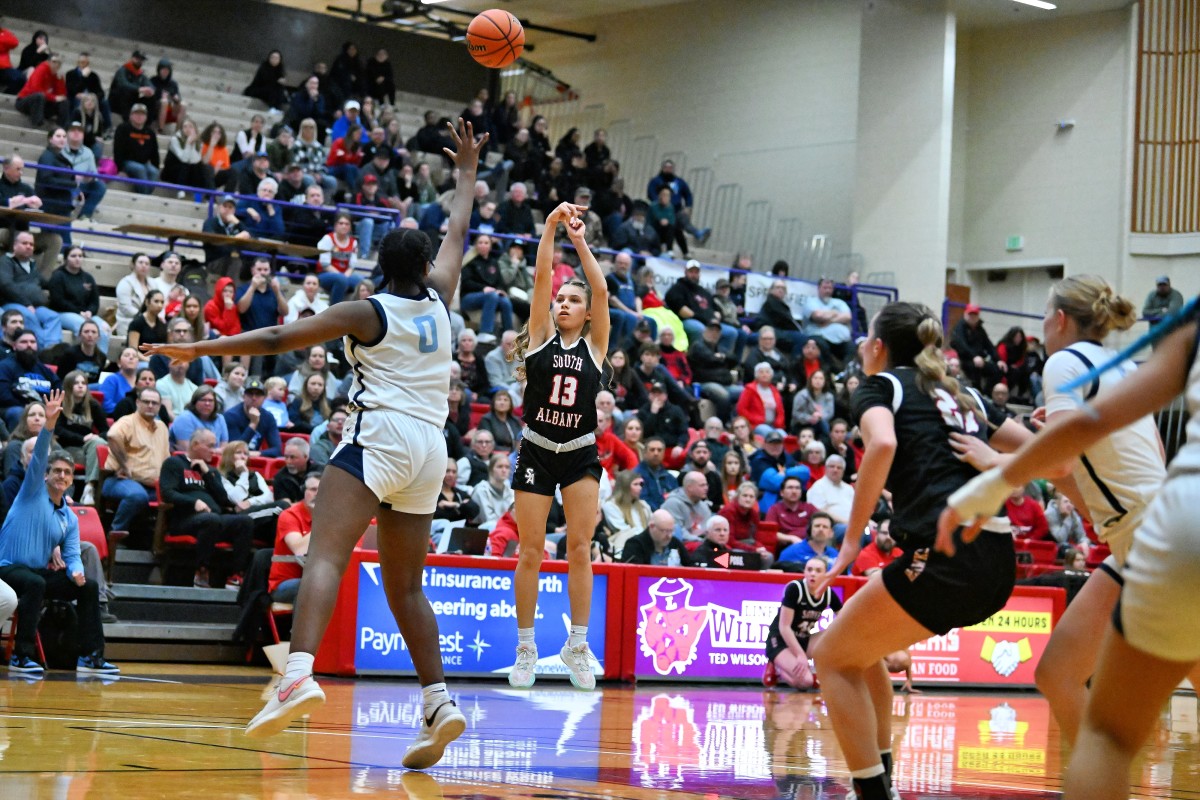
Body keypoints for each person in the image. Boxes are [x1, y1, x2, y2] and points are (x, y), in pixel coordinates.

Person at [142, 119, 487, 765]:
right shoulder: (441, 298)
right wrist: (466, 173)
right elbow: (459, 233)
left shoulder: (368, 310)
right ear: (424, 267)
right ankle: (438, 700)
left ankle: (297, 673)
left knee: (326, 555)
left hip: (380, 437)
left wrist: (196, 346)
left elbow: (275, 340)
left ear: (378, 268)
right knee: (407, 586)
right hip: (431, 452)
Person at [937, 296, 1200, 800]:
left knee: (1104, 731)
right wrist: (1048, 444)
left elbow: (1073, 448)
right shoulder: (1118, 365)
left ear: (1059, 320)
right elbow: (1102, 467)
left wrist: (996, 468)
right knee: (1059, 672)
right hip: (1141, 532)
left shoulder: (1067, 362)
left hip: (1162, 532)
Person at [807, 302, 1028, 800]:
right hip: (996, 558)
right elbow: (1038, 446)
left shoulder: (881, 385)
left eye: (866, 339)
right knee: (860, 651)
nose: (863, 346)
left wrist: (848, 543)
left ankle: (874, 793)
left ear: (878, 347)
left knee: (830, 659)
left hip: (946, 555)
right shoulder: (964, 393)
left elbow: (881, 445)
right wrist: (995, 459)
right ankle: (883, 779)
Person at [503, 201, 608, 692]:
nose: (563, 303)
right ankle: (526, 647)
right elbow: (542, 274)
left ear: (587, 314)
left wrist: (580, 240)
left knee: (581, 548)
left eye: (573, 300)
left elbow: (602, 288)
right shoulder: (540, 335)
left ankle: (577, 645)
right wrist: (550, 228)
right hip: (538, 448)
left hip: (581, 451)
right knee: (530, 551)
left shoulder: (595, 346)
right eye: (560, 298)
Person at [0, 389, 118, 676]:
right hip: (7, 568)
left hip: (36, 573)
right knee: (35, 584)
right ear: (46, 474)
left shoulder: (68, 516)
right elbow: (40, 455)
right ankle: (21, 656)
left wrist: (76, 571)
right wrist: (49, 424)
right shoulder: (30, 492)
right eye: (57, 471)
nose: (63, 476)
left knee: (87, 586)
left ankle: (91, 656)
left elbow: (72, 552)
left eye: (67, 472)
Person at [159, 429, 253, 589]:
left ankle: (236, 575)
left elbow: (224, 499)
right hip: (185, 520)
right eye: (210, 446)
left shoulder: (210, 470)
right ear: (195, 445)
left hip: (213, 519)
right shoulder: (174, 463)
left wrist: (207, 473)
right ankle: (201, 572)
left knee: (245, 521)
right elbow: (167, 493)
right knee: (211, 520)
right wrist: (193, 502)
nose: (214, 450)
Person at [763, 557, 841, 690]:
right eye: (809, 569)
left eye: (818, 570)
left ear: (825, 574)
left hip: (804, 638)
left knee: (838, 634)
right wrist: (800, 655)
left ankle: (818, 672)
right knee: (806, 682)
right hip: (780, 639)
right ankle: (777, 667)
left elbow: (843, 617)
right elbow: (784, 627)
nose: (813, 574)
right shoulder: (795, 589)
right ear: (804, 572)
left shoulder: (828, 593)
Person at [101, 386, 170, 534]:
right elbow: (113, 436)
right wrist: (124, 464)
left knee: (179, 498)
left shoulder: (162, 427)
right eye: (146, 402)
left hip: (152, 486)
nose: (150, 405)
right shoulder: (128, 421)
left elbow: (166, 458)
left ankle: (158, 544)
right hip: (120, 481)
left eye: (154, 403)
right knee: (137, 496)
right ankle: (115, 533)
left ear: (159, 406)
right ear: (138, 402)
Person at [0, 231, 62, 346]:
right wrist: (26, 303)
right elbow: (6, 285)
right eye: (24, 243)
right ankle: (37, 352)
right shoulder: (5, 262)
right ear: (15, 246)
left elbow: (45, 283)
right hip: (13, 304)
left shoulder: (32, 266)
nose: (29, 246)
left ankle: (51, 352)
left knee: (53, 317)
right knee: (29, 316)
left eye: (31, 244)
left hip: (35, 306)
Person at [0, 330, 61, 430]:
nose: (29, 345)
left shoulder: (44, 370)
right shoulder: (5, 366)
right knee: (18, 412)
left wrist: (46, 408)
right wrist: (31, 409)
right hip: (14, 408)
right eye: (24, 342)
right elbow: (4, 396)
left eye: (32, 342)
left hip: (43, 408)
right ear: (14, 346)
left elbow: (58, 388)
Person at [950, 303, 1003, 392]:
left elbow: (988, 344)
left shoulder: (980, 329)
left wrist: (998, 360)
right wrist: (974, 356)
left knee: (998, 370)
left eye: (975, 314)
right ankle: (977, 392)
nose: (972, 317)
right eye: (970, 314)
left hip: (979, 359)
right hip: (964, 359)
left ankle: (987, 393)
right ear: (965, 314)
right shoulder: (959, 328)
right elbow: (962, 345)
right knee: (974, 369)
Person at [113, 103, 160, 193]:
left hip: (144, 163)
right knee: (140, 169)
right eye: (136, 113)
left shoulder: (150, 132)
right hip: (127, 162)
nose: (139, 116)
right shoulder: (122, 128)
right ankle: (144, 198)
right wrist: (120, 169)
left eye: (142, 114)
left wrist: (156, 166)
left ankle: (145, 196)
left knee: (154, 172)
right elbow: (117, 150)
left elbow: (155, 153)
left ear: (146, 117)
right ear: (131, 115)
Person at [620, 509, 691, 566]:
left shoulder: (674, 543)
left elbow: (690, 566)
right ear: (652, 526)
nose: (669, 536)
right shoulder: (635, 545)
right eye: (664, 531)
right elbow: (633, 574)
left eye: (671, 531)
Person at [15, 53, 67, 129]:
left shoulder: (58, 75)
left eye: (59, 62)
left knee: (64, 102)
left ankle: (62, 127)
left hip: (43, 104)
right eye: (54, 61)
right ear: (48, 62)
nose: (56, 64)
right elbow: (35, 89)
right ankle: (37, 124)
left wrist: (59, 80)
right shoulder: (41, 69)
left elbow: (61, 95)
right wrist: (54, 98)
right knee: (39, 96)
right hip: (24, 101)